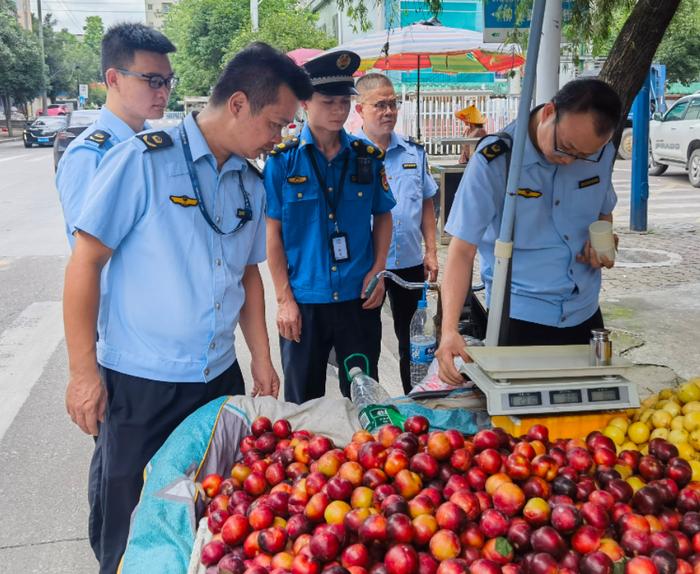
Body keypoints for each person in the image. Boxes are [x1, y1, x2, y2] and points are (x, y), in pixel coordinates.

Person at [63, 42, 312, 573]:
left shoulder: (250, 179)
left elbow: (248, 273)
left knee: (208, 518)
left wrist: (261, 358)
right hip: (139, 385)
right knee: (130, 530)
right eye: (275, 122)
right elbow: (85, 263)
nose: (280, 136)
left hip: (215, 382)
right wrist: (83, 373)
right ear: (239, 103)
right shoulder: (142, 160)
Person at [436, 78, 623, 385]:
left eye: (582, 156)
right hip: (520, 318)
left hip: (584, 312)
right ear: (550, 112)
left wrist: (601, 240)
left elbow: (603, 208)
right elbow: (462, 249)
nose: (569, 160)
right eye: (566, 147)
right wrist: (449, 331)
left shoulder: (599, 152)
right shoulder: (497, 160)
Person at [264, 51, 396, 404]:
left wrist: (378, 269)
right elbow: (273, 235)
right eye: (328, 101)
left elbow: (383, 214)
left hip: (358, 297)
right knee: (302, 403)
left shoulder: (367, 157)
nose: (339, 110)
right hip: (305, 300)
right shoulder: (282, 160)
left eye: (344, 101)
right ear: (305, 103)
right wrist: (283, 299)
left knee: (364, 395)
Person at [56, 22, 176, 249]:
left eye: (168, 81)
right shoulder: (89, 156)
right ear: (114, 79)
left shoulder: (159, 144)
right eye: (153, 81)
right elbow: (87, 261)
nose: (164, 92)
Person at [354, 73, 438, 394]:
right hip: (366, 267)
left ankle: (416, 404)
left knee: (415, 343)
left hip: (409, 263)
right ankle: (374, 409)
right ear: (360, 110)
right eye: (380, 105)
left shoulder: (413, 154)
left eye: (393, 103)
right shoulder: (351, 155)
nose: (389, 111)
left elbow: (427, 202)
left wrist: (431, 250)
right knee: (366, 342)